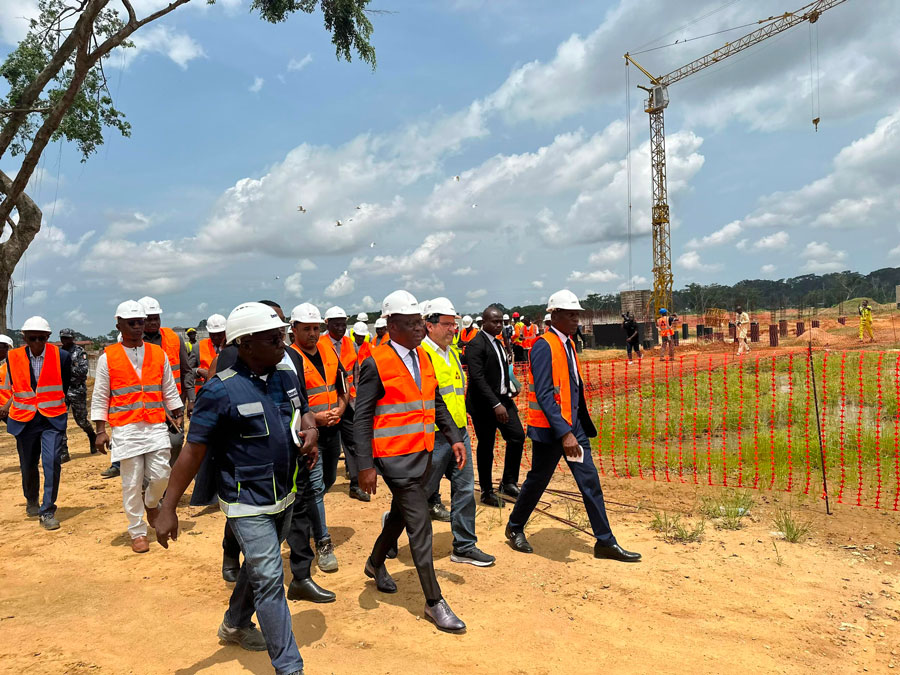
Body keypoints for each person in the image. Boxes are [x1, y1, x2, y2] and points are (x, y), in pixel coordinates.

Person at [155, 302, 316, 675]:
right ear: (244, 344)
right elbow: (193, 453)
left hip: (285, 493)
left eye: (283, 336)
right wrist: (168, 507)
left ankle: (235, 623)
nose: (283, 343)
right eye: (273, 338)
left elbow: (303, 412)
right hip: (247, 502)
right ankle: (289, 667)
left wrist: (311, 430)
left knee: (260, 569)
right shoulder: (220, 391)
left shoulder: (286, 377)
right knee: (271, 578)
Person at [356, 290, 467, 633]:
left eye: (420, 321)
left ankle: (375, 563)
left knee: (404, 514)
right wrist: (364, 466)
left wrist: (454, 437)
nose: (420, 327)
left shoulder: (424, 358)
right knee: (421, 524)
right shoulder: (375, 362)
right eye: (411, 322)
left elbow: (435, 401)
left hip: (423, 454)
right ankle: (434, 602)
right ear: (391, 324)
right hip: (394, 460)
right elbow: (362, 418)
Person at [506, 290, 641, 564]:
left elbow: (571, 387)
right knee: (537, 481)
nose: (575, 319)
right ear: (554, 315)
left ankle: (605, 541)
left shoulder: (567, 343)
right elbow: (544, 394)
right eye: (570, 314)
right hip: (552, 431)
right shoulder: (544, 346)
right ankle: (515, 526)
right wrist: (564, 433)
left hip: (574, 426)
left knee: (589, 482)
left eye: (577, 314)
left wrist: (575, 426)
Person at [91, 300, 184, 553]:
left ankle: (151, 504)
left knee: (162, 474)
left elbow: (168, 388)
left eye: (140, 322)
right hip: (126, 428)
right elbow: (100, 395)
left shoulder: (158, 353)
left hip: (155, 425)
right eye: (131, 323)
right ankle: (137, 531)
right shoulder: (107, 357)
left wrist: (177, 410)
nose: (137, 327)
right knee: (131, 482)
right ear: (119, 324)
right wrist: (100, 431)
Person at [421, 298, 495, 567]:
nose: (453, 329)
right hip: (435, 436)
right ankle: (392, 528)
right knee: (420, 493)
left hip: (458, 432)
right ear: (429, 326)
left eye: (454, 324)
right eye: (447, 324)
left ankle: (464, 545)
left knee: (464, 490)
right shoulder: (422, 355)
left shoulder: (451, 353)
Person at [288, 302, 347, 576]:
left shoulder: (329, 350)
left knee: (328, 482)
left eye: (315, 328)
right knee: (314, 488)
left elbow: (342, 386)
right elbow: (291, 403)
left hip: (332, 428)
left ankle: (311, 521)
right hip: (307, 433)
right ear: (294, 329)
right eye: (307, 329)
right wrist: (315, 418)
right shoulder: (289, 358)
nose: (313, 334)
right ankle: (323, 543)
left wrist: (342, 408)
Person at [0, 316, 71, 530]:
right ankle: (31, 499)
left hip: (51, 419)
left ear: (48, 337)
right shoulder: (12, 358)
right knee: (28, 465)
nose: (38, 343)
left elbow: (64, 385)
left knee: (51, 462)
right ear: (25, 338)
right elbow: (12, 386)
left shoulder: (62, 357)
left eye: (42, 338)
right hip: (25, 420)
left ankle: (47, 510)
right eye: (33, 338)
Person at [465, 306, 525, 506]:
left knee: (517, 436)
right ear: (484, 322)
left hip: (502, 399)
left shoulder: (498, 343)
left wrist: (511, 385)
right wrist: (496, 404)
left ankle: (508, 482)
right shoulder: (476, 344)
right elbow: (478, 378)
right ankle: (486, 491)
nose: (499, 325)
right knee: (486, 446)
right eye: (495, 321)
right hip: (484, 406)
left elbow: (501, 370)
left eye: (501, 321)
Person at [138, 296, 195, 465]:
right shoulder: (133, 341)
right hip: (144, 404)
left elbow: (186, 371)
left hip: (173, 402)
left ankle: (169, 481)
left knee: (176, 441)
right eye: (149, 319)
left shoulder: (173, 338)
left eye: (156, 318)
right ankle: (149, 486)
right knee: (148, 447)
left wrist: (191, 399)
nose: (153, 322)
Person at [320, 306, 362, 497]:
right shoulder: (320, 344)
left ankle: (355, 484)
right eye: (336, 324)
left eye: (343, 324)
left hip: (349, 401)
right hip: (328, 403)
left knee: (352, 442)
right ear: (327, 324)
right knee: (327, 446)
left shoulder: (350, 344)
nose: (340, 327)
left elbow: (356, 372)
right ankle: (320, 484)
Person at [58, 327, 97, 460]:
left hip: (77, 389)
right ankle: (64, 452)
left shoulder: (80, 352)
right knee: (60, 421)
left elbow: (82, 371)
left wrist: (67, 367)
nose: (65, 340)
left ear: (73, 338)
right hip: (62, 390)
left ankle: (92, 435)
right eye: (63, 338)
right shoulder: (59, 353)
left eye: (68, 338)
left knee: (81, 420)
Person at [194, 314, 228, 395]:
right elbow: (187, 371)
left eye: (219, 334)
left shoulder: (233, 348)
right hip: (204, 395)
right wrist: (198, 371)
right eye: (213, 334)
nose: (216, 337)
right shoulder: (198, 347)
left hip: (228, 393)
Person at [0, 334, 13, 406]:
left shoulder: (13, 366)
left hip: (7, 408)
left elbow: (20, 391)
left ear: (8, 348)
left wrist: (6, 407)